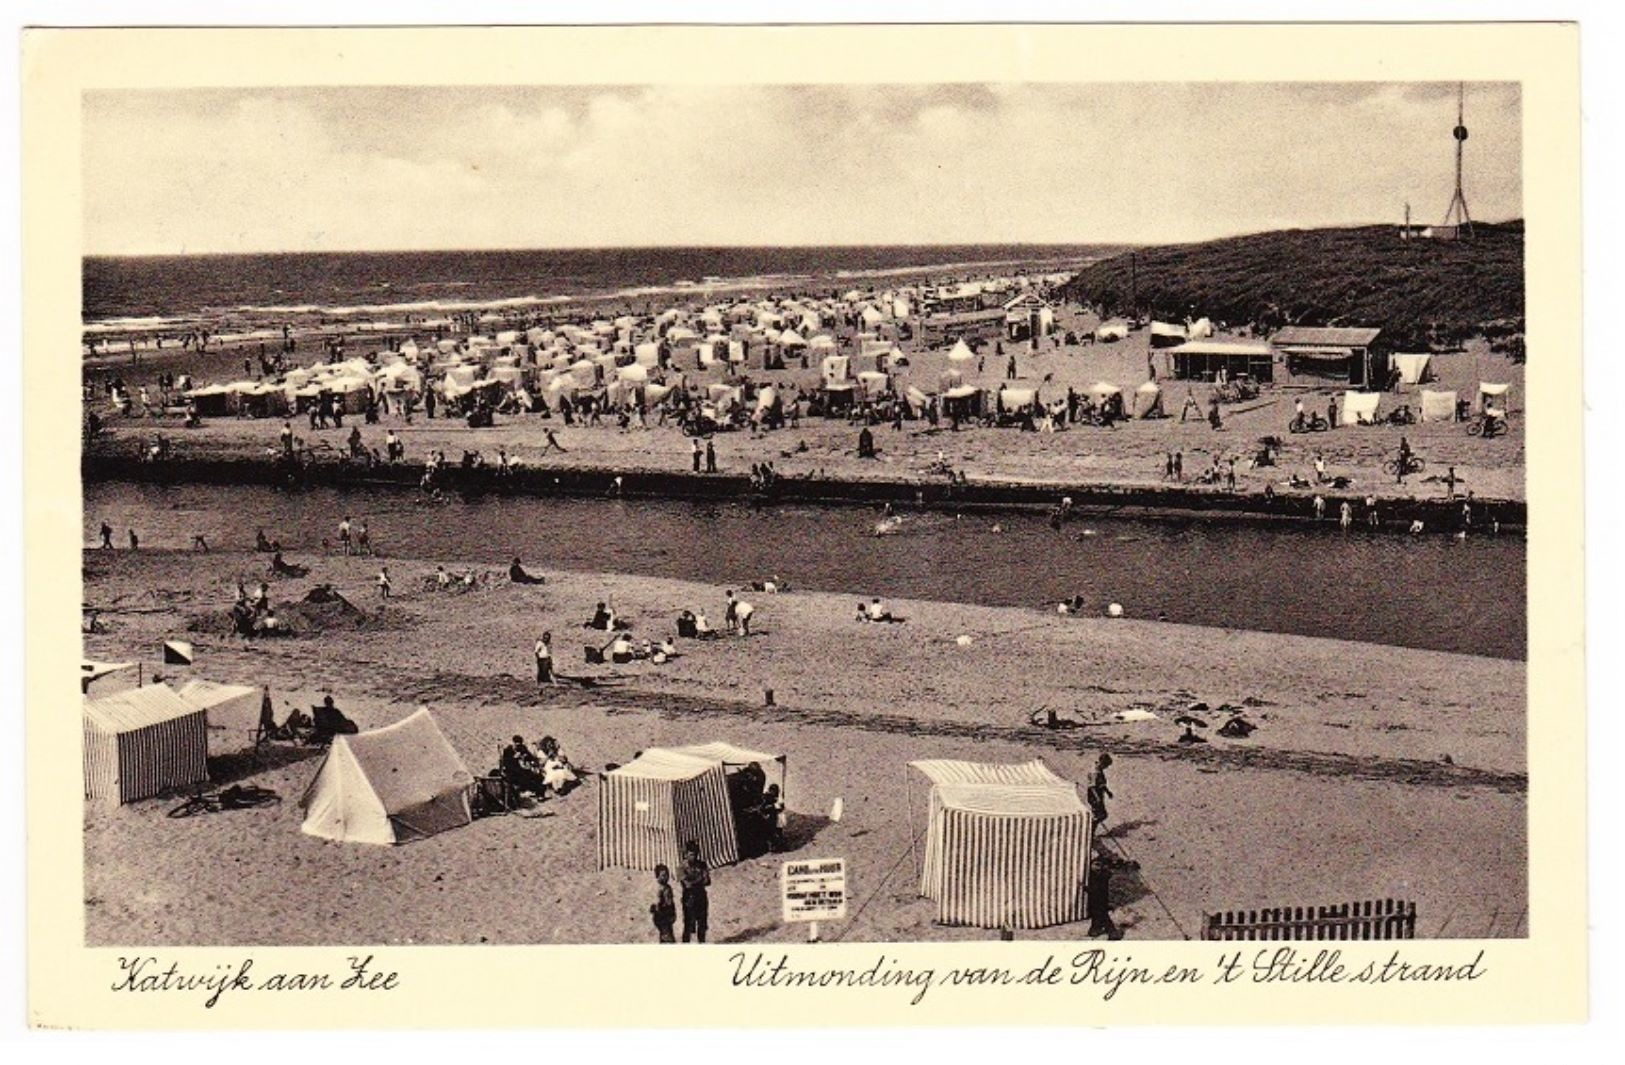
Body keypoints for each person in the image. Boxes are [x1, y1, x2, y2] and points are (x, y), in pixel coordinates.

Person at [679, 841, 712, 943]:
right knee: (688, 925)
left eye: (695, 854)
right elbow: (686, 884)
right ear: (686, 854)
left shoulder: (702, 864)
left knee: (702, 924)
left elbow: (708, 881)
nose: (693, 857)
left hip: (701, 898)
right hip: (689, 899)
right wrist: (700, 880)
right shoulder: (681, 867)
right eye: (691, 854)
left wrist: (695, 881)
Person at [651, 865, 678, 943]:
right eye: (663, 875)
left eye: (667, 875)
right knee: (667, 937)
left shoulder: (667, 888)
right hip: (662, 916)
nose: (665, 877)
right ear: (657, 876)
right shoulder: (659, 888)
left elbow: (670, 902)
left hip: (667, 916)